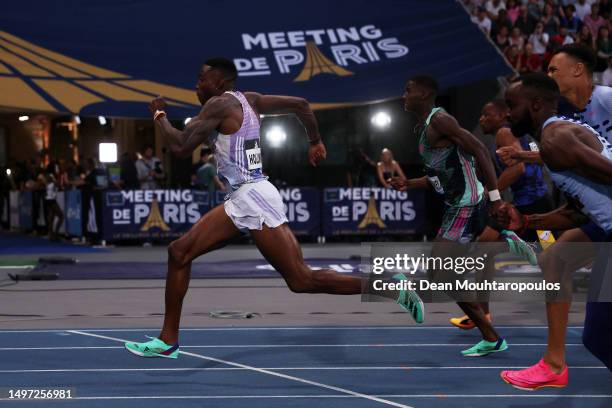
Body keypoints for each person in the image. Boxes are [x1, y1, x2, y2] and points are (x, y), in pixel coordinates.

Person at [124, 58, 424, 358]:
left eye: (201, 79)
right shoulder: (250, 100)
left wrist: (159, 115)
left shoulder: (217, 105)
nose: (196, 84)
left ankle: (390, 287)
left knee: (301, 279)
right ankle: (168, 340)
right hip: (245, 197)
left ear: (218, 82)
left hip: (252, 198)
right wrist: (315, 141)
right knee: (179, 252)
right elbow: (302, 105)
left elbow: (179, 146)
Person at [389, 75, 536, 357]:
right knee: (444, 274)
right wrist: (410, 183)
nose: (403, 95)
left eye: (408, 90)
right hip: (456, 204)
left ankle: (488, 331)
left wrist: (495, 198)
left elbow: (479, 149)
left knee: (438, 270)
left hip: (468, 204)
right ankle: (490, 334)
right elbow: (437, 175)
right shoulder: (422, 129)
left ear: (424, 94)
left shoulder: (440, 120)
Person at [499, 73, 612, 390]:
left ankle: (553, 364)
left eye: (512, 105)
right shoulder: (561, 133)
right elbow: (580, 210)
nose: (508, 113)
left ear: (535, 104)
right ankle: (553, 363)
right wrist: (527, 222)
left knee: (600, 336)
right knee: (556, 260)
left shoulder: (553, 141)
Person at [449, 99, 553, 330]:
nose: (481, 119)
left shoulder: (503, 133)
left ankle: (482, 314)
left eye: (487, 115)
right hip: (538, 203)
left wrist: (491, 195)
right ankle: (481, 314)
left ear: (502, 115)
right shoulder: (522, 134)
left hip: (528, 206)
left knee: (554, 260)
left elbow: (518, 168)